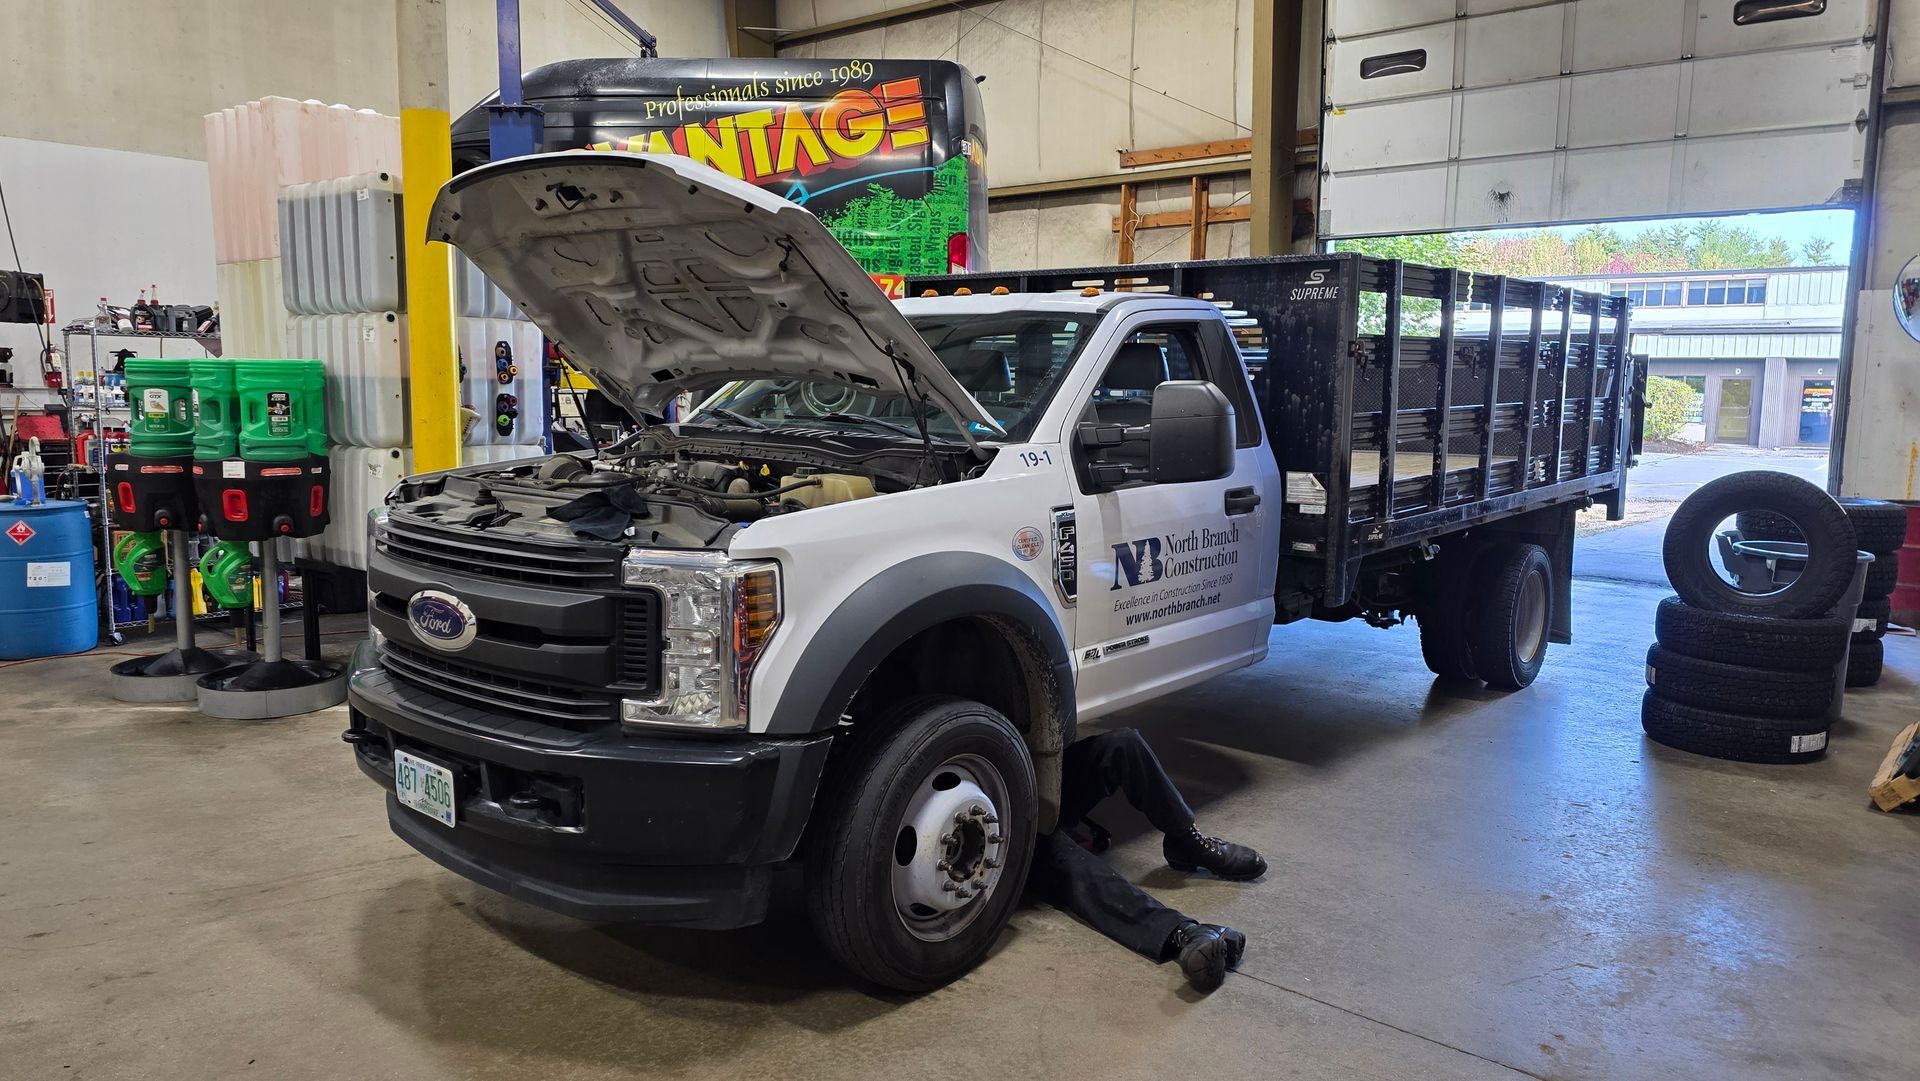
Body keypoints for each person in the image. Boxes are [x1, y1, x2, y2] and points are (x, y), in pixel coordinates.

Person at [1027, 727, 1267, 993]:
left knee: (1122, 743)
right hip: (1005, 816)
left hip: (1019, 771)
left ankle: (1185, 840)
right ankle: (1182, 933)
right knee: (1059, 853)